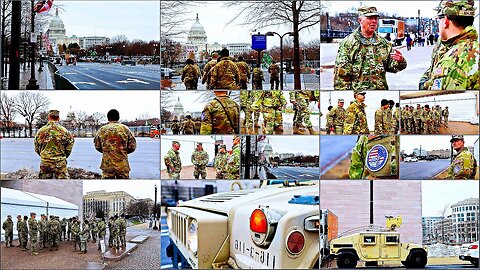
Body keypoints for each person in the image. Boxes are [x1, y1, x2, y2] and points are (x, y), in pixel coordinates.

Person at [334, 6, 407, 90]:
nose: (374, 21)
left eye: (376, 18)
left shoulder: (384, 43)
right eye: (370, 18)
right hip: (359, 91)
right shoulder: (348, 43)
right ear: (360, 20)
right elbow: (341, 77)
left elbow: (392, 67)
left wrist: (400, 61)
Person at [419, 0, 478, 90]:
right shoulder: (473, 46)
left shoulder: (451, 62)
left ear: (446, 21)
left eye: (439, 19)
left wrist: (423, 85)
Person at [94, 109, 137, 179]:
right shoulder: (125, 129)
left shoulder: (102, 130)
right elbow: (132, 147)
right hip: (122, 165)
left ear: (108, 118)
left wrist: (108, 151)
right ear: (118, 117)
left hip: (107, 165)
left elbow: (97, 146)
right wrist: (121, 151)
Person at [34, 109, 75, 179]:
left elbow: (37, 146)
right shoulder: (64, 131)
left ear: (49, 117)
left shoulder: (41, 131)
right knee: (63, 185)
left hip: (45, 162)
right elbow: (70, 145)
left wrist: (44, 155)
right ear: (58, 118)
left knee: (44, 185)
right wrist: (63, 155)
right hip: (60, 162)